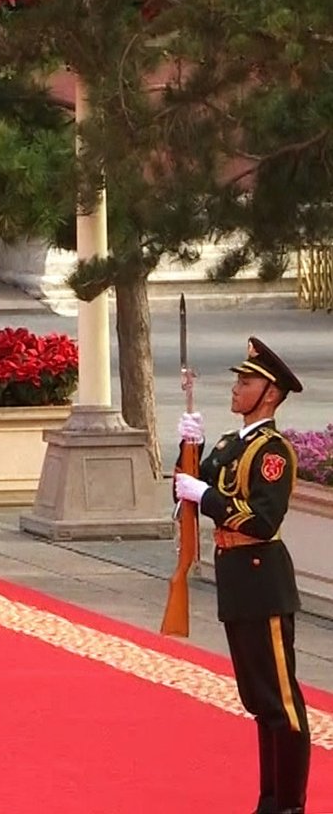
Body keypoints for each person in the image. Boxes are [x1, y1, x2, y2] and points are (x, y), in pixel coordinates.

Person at [173, 339, 311, 814]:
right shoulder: (234, 444)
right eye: (237, 380)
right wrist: (188, 445)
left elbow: (261, 520)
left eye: (246, 382)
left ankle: (289, 803)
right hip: (236, 576)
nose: (236, 388)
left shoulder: (273, 452)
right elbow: (187, 487)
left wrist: (205, 495)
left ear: (269, 394)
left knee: (280, 700)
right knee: (257, 698)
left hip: (261, 576)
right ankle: (269, 799)